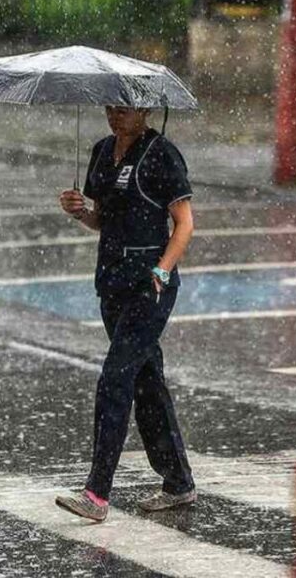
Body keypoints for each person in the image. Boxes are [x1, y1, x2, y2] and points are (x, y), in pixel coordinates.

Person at [54, 105, 196, 522]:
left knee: (115, 379)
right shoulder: (100, 151)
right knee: (147, 381)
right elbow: (105, 219)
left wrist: (162, 269)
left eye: (126, 109)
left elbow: (184, 223)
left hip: (149, 288)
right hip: (112, 283)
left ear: (147, 109)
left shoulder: (161, 153)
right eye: (111, 108)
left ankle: (97, 493)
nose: (116, 116)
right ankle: (178, 482)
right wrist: (80, 210)